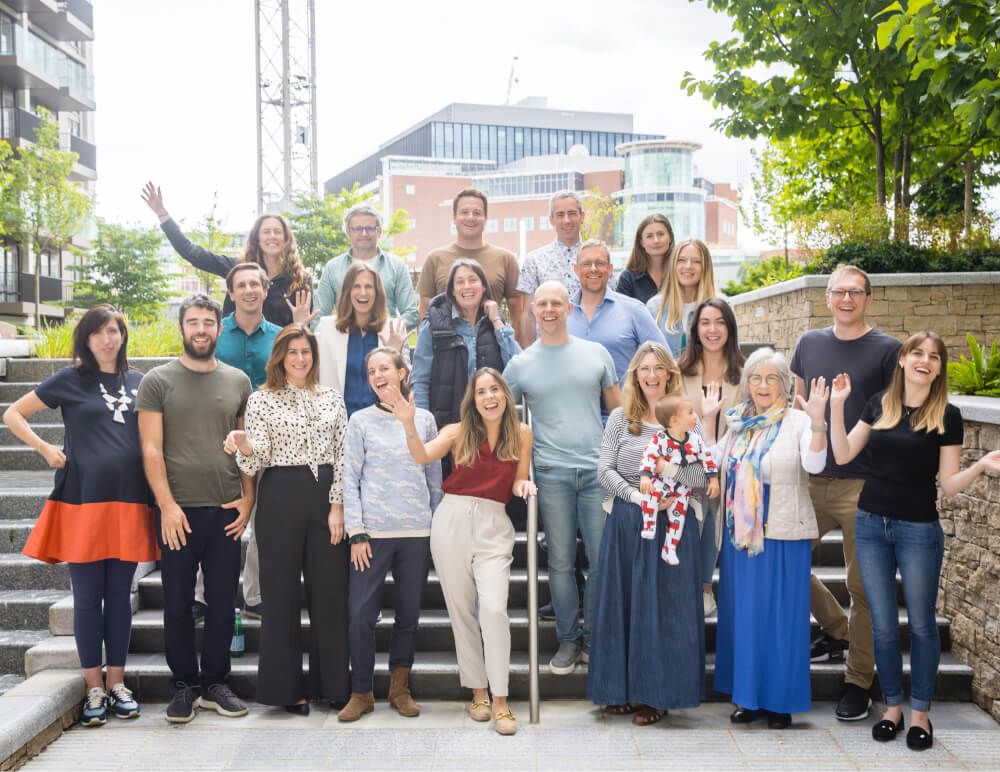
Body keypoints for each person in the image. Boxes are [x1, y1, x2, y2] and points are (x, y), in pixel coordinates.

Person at [829, 331, 1000, 751]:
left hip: (919, 530)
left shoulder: (948, 414)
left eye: (934, 357)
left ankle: (920, 713)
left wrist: (980, 466)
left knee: (921, 625)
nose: (925, 361)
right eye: (917, 353)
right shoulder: (878, 405)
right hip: (870, 524)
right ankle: (892, 707)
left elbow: (949, 484)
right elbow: (844, 453)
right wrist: (834, 408)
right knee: (884, 626)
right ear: (903, 359)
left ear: (940, 367)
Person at [5, 305, 156, 727]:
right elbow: (13, 413)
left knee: (121, 596)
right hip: (83, 502)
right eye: (98, 333)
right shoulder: (70, 380)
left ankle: (117, 683)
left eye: (113, 331)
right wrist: (45, 449)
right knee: (88, 597)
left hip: (129, 501)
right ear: (86, 339)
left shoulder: (141, 382)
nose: (107, 339)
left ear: (122, 335)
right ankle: (93, 686)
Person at [381, 368, 535, 736]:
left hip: (494, 525)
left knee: (495, 610)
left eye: (494, 389)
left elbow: (516, 481)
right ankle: (478, 693)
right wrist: (407, 423)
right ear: (473, 399)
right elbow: (421, 456)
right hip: (451, 520)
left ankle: (501, 699)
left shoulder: (523, 433)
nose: (489, 397)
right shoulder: (456, 431)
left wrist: (524, 484)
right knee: (462, 612)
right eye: (481, 391)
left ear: (504, 393)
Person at [790, 264, 901, 721]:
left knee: (865, 588)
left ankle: (859, 680)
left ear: (869, 298)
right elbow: (795, 406)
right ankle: (835, 629)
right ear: (828, 297)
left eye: (856, 292)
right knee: (784, 561)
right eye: (839, 292)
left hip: (863, 485)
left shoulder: (889, 350)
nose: (847, 299)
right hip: (810, 479)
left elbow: (894, 417)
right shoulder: (809, 344)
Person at [136, 294, 254, 724]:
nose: (201, 329)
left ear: (219, 329)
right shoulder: (157, 381)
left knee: (224, 604)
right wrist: (165, 505)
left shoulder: (239, 381)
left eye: (208, 322)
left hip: (225, 509)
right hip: (178, 513)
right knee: (178, 604)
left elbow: (246, 448)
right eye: (193, 322)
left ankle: (216, 683)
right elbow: (150, 448)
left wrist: (249, 499)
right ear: (182, 327)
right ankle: (184, 684)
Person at [224, 324, 350, 715]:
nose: (299, 358)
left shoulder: (332, 398)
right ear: (280, 357)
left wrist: (337, 505)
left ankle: (334, 685)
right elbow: (258, 456)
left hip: (325, 496)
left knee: (329, 593)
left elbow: (343, 453)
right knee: (280, 596)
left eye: (305, 352)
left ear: (314, 357)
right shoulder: (261, 400)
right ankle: (285, 690)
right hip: (279, 495)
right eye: (292, 352)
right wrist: (243, 443)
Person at [504, 281, 621, 674]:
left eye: (557, 303)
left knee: (603, 561)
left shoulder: (596, 354)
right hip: (550, 474)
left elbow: (619, 415)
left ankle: (597, 639)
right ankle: (569, 641)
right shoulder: (521, 363)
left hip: (596, 473)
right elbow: (499, 412)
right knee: (560, 563)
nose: (550, 309)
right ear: (533, 309)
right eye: (543, 304)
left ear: (569, 307)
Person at [588, 342, 706, 726]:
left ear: (670, 373)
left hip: (672, 523)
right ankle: (619, 690)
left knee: (666, 609)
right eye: (644, 369)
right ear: (635, 375)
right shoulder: (621, 418)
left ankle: (658, 695)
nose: (652, 375)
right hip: (627, 521)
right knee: (621, 605)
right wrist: (639, 496)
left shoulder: (687, 418)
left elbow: (701, 476)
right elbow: (604, 470)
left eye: (659, 368)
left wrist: (666, 484)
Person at [714, 348, 829, 729]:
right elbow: (713, 463)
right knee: (746, 619)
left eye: (772, 379)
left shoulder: (797, 422)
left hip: (782, 534)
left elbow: (815, 465)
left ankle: (780, 702)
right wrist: (708, 417)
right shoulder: (736, 422)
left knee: (782, 621)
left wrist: (818, 423)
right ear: (747, 384)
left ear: (786, 384)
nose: (763, 386)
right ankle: (748, 699)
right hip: (741, 539)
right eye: (756, 378)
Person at [339, 347, 443, 722]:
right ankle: (361, 692)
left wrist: (435, 527)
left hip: (416, 531)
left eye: (384, 368)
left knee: (408, 614)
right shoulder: (360, 421)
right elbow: (348, 478)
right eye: (371, 371)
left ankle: (400, 688)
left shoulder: (426, 420)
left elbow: (435, 481)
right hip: (372, 534)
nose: (378, 375)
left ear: (402, 372)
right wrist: (357, 532)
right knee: (360, 614)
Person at [141, 182, 313, 326]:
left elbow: (304, 329)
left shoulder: (300, 279)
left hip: (278, 359)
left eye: (277, 232)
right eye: (266, 232)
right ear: (257, 239)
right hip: (234, 357)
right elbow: (192, 253)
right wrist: (162, 214)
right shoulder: (238, 268)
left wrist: (301, 326)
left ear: (286, 239)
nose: (272, 236)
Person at [676, 298, 745, 615]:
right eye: (705, 322)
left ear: (729, 329)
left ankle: (707, 587)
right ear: (695, 329)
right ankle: (689, 583)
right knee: (697, 511)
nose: (712, 329)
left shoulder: (744, 375)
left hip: (731, 469)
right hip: (687, 466)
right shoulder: (679, 372)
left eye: (719, 322)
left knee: (716, 515)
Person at [410, 259, 520, 456]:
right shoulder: (434, 324)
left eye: (473, 280)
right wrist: (423, 427)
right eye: (459, 282)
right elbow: (420, 379)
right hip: (446, 428)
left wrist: (496, 320)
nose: (467, 287)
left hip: (492, 428)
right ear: (451, 290)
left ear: (484, 286)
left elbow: (519, 368)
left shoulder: (495, 323)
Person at [416, 188, 523, 332]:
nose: (471, 217)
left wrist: (512, 348)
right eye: (464, 212)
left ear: (485, 218)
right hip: (446, 347)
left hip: (493, 348)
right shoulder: (435, 259)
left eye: (477, 213)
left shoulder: (506, 259)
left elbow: (518, 315)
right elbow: (424, 313)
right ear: (454, 217)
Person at [568, 240, 668, 385]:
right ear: (576, 270)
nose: (593, 268)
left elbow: (665, 358)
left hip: (625, 406)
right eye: (586, 264)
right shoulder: (562, 313)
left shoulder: (634, 310)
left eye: (600, 263)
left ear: (610, 269)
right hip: (576, 406)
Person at [315, 262, 408, 417]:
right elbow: (310, 375)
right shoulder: (326, 328)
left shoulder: (394, 328)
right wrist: (300, 326)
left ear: (377, 292)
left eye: (369, 287)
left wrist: (395, 354)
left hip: (382, 422)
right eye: (356, 286)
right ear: (347, 291)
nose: (363, 292)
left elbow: (406, 383)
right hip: (337, 423)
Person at [638, 394, 719, 565]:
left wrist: (713, 480)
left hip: (682, 489)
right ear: (674, 421)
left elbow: (708, 459)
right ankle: (649, 523)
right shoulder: (660, 439)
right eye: (690, 413)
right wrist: (645, 476)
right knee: (649, 495)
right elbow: (648, 456)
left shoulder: (696, 440)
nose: (694, 416)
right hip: (660, 483)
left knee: (678, 521)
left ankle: (670, 549)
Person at [315, 204, 420, 328]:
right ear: (348, 232)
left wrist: (387, 331)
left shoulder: (397, 266)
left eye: (370, 228)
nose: (364, 233)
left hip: (385, 342)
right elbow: (319, 316)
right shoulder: (332, 268)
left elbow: (411, 313)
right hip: (343, 341)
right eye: (357, 229)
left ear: (379, 232)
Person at [516, 191, 585, 345]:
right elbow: (528, 313)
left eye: (572, 213)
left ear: (582, 216)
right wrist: (529, 354)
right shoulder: (534, 260)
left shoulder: (596, 259)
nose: (566, 220)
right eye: (560, 215)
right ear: (551, 220)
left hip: (588, 347)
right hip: (547, 348)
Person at [647, 238, 719, 356]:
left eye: (696, 261)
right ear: (673, 265)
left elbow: (732, 356)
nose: (688, 266)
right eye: (681, 260)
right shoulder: (654, 307)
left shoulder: (722, 306)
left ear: (705, 268)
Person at [617, 213, 675, 305]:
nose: (656, 240)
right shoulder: (628, 279)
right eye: (649, 236)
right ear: (641, 242)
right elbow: (622, 315)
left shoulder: (681, 273)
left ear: (670, 237)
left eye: (661, 234)